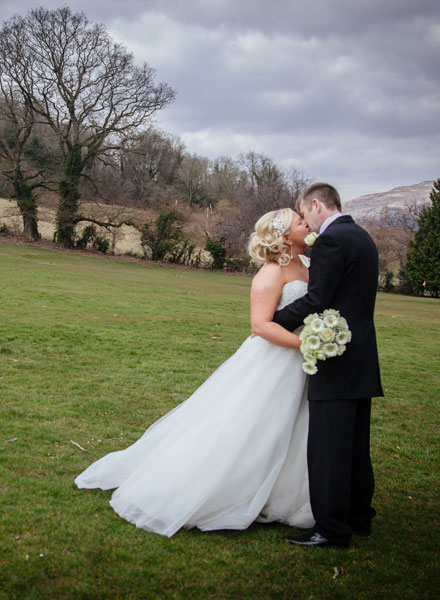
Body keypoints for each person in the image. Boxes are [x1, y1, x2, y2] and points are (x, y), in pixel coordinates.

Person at [75, 208, 315, 537]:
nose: (307, 223)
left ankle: (282, 492)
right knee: (258, 426)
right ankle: (222, 487)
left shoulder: (309, 266)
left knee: (295, 426)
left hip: (303, 362)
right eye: (300, 221)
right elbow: (260, 325)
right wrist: (304, 344)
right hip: (275, 359)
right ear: (286, 237)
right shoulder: (272, 273)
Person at [273, 182, 383, 549]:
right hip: (363, 357)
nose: (305, 221)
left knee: (328, 449)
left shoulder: (332, 241)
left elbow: (318, 299)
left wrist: (275, 321)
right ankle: (358, 517)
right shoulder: (363, 237)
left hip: (335, 358)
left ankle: (332, 530)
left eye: (304, 214)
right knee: (354, 445)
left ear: (316, 205)